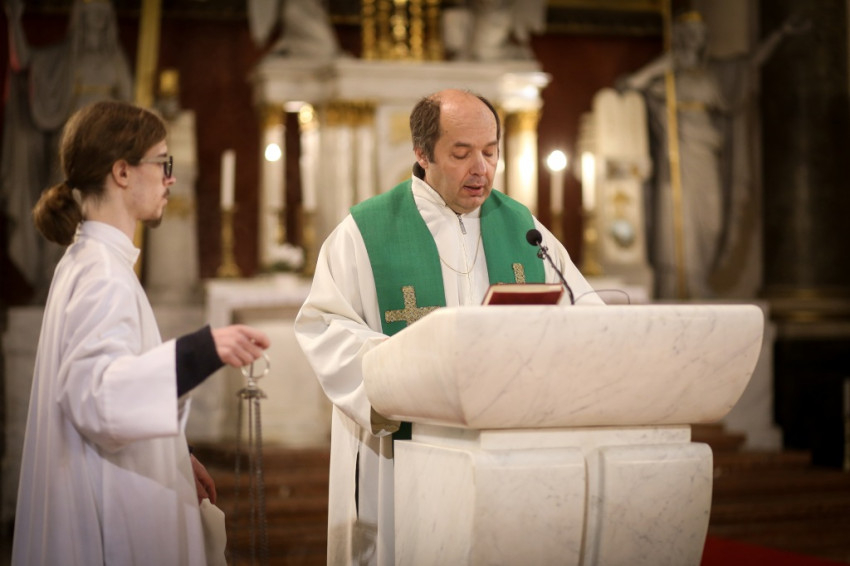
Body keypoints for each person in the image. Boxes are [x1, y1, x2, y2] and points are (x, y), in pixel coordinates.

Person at [294, 89, 601, 565]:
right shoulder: (366, 232)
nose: (481, 168)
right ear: (422, 153)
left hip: (504, 444)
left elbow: (586, 316)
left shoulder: (523, 228)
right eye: (461, 154)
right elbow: (323, 325)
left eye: (491, 152)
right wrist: (406, 368)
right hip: (399, 451)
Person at [11, 100, 271, 566]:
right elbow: (97, 397)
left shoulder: (89, 260)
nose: (171, 179)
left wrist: (175, 452)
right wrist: (202, 350)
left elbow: (117, 382)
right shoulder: (102, 275)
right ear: (122, 172)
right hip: (110, 520)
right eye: (163, 163)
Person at [618, 11, 808, 299]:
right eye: (689, 33)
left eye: (700, 34)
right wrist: (663, 65)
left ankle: (700, 279)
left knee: (711, 221)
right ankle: (679, 283)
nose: (695, 39)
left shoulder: (714, 74)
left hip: (706, 153)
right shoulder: (668, 78)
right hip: (678, 156)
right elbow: (628, 86)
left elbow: (751, 62)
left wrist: (779, 34)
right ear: (680, 37)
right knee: (678, 218)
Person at [2, 0, 134, 301]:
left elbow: (131, 109)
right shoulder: (63, 58)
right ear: (79, 19)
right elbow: (23, 63)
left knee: (102, 216)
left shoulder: (116, 60)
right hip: (68, 147)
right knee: (64, 209)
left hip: (105, 153)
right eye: (90, 16)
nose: (96, 24)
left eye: (101, 16)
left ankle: (96, 280)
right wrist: (14, 21)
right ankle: (53, 280)